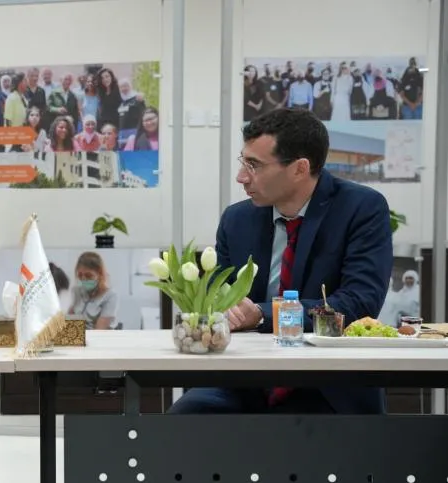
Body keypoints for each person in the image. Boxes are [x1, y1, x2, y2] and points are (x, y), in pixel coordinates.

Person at [168, 108, 392, 415]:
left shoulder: (361, 208)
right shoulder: (237, 219)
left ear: (300, 168)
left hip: (327, 381)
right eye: (243, 161)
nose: (241, 176)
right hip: (245, 377)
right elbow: (219, 297)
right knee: (183, 419)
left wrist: (262, 315)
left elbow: (359, 303)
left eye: (254, 165)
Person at [69, 252, 119, 330]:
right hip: (78, 335)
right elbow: (69, 324)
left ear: (100, 274)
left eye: (88, 275)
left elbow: (99, 330)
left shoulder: (111, 295)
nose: (83, 279)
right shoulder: (76, 291)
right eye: (80, 275)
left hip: (99, 336)